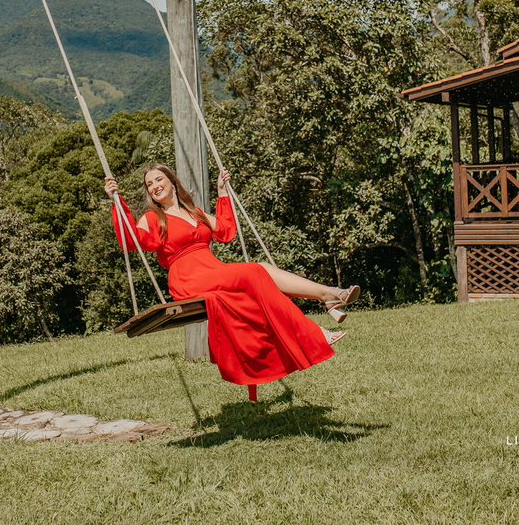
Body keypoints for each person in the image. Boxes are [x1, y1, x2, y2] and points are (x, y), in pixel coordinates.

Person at [105, 165, 359, 389]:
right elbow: (132, 240)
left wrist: (222, 193)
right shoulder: (153, 218)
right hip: (187, 278)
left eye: (158, 180)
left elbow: (225, 230)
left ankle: (329, 295)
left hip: (212, 269)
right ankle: (316, 325)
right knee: (255, 270)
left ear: (172, 181)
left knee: (260, 268)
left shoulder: (195, 213)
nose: (154, 187)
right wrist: (118, 203)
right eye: (149, 185)